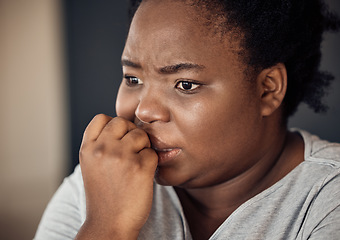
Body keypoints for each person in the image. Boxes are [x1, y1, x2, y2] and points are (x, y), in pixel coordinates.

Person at [35, 0, 340, 239]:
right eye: (132, 78)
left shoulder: (328, 198)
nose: (144, 111)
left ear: (267, 89)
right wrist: (106, 225)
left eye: (185, 84)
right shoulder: (98, 186)